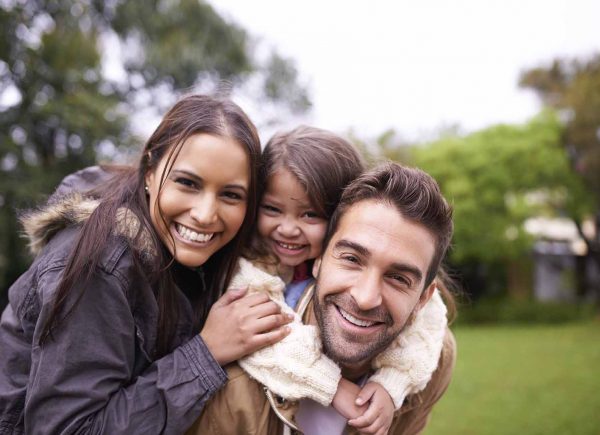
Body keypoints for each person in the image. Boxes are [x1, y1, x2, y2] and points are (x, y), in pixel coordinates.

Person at [0, 94, 293, 434]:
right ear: (150, 172)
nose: (205, 214)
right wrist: (206, 354)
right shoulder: (101, 264)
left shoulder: (190, 258)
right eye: (188, 183)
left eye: (231, 195)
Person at [188, 161, 457, 434]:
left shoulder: (435, 361)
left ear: (423, 299)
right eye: (352, 259)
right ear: (318, 260)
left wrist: (394, 382)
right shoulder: (233, 382)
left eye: (398, 278)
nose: (365, 298)